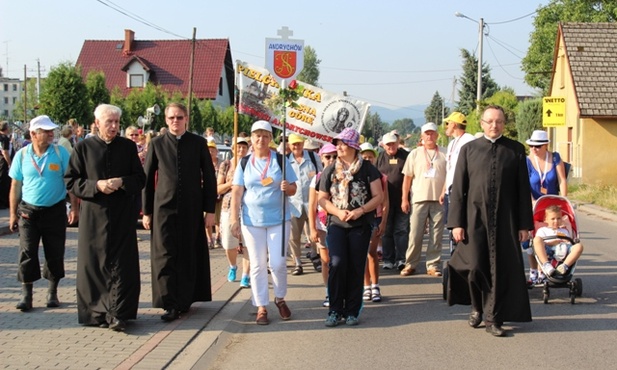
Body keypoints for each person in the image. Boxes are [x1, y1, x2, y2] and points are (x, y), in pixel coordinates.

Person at [447, 105, 533, 337]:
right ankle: (476, 307)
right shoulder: (469, 149)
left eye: (499, 121)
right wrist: (456, 223)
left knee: (499, 269)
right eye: (490, 121)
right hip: (474, 218)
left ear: (504, 124)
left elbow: (523, 190)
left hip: (506, 220)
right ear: (482, 123)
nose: (495, 125)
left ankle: (493, 318)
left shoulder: (515, 150)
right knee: (474, 267)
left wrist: (525, 224)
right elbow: (458, 189)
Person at [65, 104, 145, 331]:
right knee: (94, 264)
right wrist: (96, 185)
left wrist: (122, 182)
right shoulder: (83, 148)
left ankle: (120, 312)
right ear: (97, 123)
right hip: (94, 216)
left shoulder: (128, 147)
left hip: (121, 214)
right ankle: (96, 312)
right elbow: (71, 181)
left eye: (116, 122)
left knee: (122, 264)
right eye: (109, 122)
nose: (113, 126)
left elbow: (140, 179)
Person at [142, 102, 217, 322]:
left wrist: (209, 210)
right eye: (172, 118)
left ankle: (185, 299)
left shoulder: (198, 143)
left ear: (186, 119)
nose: (176, 121)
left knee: (187, 253)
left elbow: (209, 178)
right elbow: (147, 180)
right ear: (166, 120)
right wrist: (146, 212)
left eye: (180, 117)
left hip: (191, 209)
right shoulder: (156, 144)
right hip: (163, 209)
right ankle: (169, 302)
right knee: (165, 255)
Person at [230, 120, 297, 325]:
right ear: (251, 138)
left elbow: (294, 188)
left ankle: (280, 298)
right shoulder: (244, 162)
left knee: (277, 263)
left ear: (271, 139)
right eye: (257, 135)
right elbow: (237, 191)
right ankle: (261, 306)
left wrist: (288, 187)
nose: (261, 139)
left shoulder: (280, 160)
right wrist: (234, 219)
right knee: (257, 265)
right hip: (252, 221)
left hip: (279, 219)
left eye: (265, 136)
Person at [9, 115, 77, 311]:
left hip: (54, 210)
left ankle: (52, 293)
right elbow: (15, 185)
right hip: (28, 212)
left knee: (54, 252)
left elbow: (69, 182)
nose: (51, 134)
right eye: (46, 131)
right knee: (27, 252)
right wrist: (13, 213)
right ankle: (26, 295)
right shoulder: (22, 155)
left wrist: (74, 207)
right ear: (33, 134)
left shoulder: (60, 152)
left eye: (51, 131)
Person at [318, 128, 383, 327]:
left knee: (356, 266)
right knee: (336, 263)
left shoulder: (368, 169)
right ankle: (335, 310)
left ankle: (352, 311)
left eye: (343, 143)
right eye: (337, 143)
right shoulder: (330, 169)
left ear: (354, 147)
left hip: (360, 224)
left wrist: (361, 210)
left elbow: (379, 196)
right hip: (337, 224)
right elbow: (321, 198)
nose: (338, 147)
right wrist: (337, 212)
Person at [400, 122, 447, 277]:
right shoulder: (414, 153)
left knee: (436, 234)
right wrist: (404, 199)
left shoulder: (444, 153)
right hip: (418, 198)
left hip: (438, 199)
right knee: (415, 233)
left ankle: (433, 264)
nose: (429, 136)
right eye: (426, 133)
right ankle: (410, 264)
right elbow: (407, 178)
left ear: (437, 135)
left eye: (432, 133)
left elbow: (450, 176)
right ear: (421, 136)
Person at [524, 130, 568, 284]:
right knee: (532, 238)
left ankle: (548, 268)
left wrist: (563, 201)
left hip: (552, 204)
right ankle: (534, 271)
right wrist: (532, 202)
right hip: (534, 204)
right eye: (531, 146)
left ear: (546, 146)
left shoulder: (555, 158)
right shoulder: (527, 161)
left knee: (553, 235)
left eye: (538, 146)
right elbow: (524, 185)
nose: (534, 149)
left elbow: (562, 180)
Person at [217, 136, 251, 288]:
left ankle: (246, 275)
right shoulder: (226, 165)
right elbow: (218, 188)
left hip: (248, 208)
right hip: (228, 206)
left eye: (244, 147)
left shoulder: (251, 163)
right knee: (229, 243)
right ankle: (233, 266)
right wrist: (232, 183)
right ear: (233, 149)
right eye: (238, 147)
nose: (241, 150)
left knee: (248, 244)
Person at [287, 133, 322, 275]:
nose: (296, 146)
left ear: (303, 144)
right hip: (294, 205)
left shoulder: (314, 158)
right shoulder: (285, 161)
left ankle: (315, 255)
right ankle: (297, 262)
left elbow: (320, 177)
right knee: (293, 236)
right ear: (289, 145)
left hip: (312, 203)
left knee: (315, 234)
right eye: (293, 144)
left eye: (299, 143)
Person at [308, 143, 337, 307]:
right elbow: (312, 205)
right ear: (321, 158)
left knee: (338, 260)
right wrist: (312, 228)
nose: (331, 160)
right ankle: (329, 291)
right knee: (325, 261)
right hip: (322, 225)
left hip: (339, 223)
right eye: (328, 157)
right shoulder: (317, 178)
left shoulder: (343, 175)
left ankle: (340, 290)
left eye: (334, 156)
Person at [375, 131, 409, 271]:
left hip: (402, 199)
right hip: (385, 202)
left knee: (401, 230)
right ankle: (388, 259)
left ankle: (401, 259)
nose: (391, 147)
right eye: (388, 144)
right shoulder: (379, 159)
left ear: (397, 143)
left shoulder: (405, 156)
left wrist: (406, 198)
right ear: (383, 145)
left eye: (393, 143)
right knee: (387, 231)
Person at [360, 142, 388, 303]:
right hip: (362, 219)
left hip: (375, 218)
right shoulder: (355, 175)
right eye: (364, 157)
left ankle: (375, 284)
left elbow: (386, 202)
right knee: (363, 253)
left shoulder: (381, 177)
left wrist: (383, 221)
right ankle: (366, 286)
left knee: (371, 253)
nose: (368, 159)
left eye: (370, 156)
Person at [439, 112, 475, 220]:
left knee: (459, 221)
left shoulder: (469, 140)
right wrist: (443, 190)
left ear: (454, 124)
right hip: (450, 189)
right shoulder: (451, 143)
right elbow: (450, 169)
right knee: (451, 222)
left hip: (461, 188)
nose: (446, 127)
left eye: (447, 123)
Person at [533, 204, 584, 277]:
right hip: (548, 250)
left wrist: (567, 242)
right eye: (553, 219)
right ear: (546, 219)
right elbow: (539, 243)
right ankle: (546, 264)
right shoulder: (542, 230)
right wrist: (551, 243)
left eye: (559, 218)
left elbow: (569, 242)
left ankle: (564, 266)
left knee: (579, 246)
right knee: (537, 239)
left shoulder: (564, 230)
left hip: (563, 249)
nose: (556, 221)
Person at [207, 140, 222, 249]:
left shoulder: (222, 163)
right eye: (209, 150)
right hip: (207, 194)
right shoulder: (203, 162)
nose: (211, 152)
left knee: (218, 218)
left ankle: (218, 237)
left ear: (216, 151)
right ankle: (209, 238)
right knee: (207, 217)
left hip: (219, 194)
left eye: (213, 150)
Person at [0, 121, 12, 209]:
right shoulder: (4, 138)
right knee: (4, 182)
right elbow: (5, 151)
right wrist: (9, 163)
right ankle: (3, 202)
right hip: (3, 162)